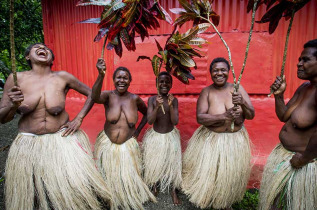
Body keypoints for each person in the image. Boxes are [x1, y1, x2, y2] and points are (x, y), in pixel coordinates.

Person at [0, 43, 111, 210]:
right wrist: (13, 106)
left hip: (61, 139)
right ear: (27, 57)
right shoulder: (16, 79)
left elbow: (94, 96)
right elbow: (3, 118)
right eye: (37, 47)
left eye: (46, 49)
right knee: (34, 194)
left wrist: (79, 118)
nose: (42, 49)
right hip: (28, 143)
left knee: (74, 185)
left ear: (52, 59)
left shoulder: (62, 77)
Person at [182, 57, 255, 209]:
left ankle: (225, 202)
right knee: (210, 177)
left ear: (228, 72)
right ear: (211, 73)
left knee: (228, 178)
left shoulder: (237, 89)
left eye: (223, 70)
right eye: (215, 70)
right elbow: (200, 117)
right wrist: (223, 116)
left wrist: (242, 102)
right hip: (212, 141)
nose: (219, 73)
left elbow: (251, 114)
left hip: (235, 142)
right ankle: (209, 201)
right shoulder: (207, 92)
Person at [259, 39, 317, 210]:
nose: (299, 63)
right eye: (299, 59)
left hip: (301, 162)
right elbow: (284, 116)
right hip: (284, 157)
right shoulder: (305, 87)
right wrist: (278, 95)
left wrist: (304, 159)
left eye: (305, 60)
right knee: (273, 204)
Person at [92, 58, 156, 210]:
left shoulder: (135, 99)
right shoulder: (108, 96)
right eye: (118, 77)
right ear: (114, 80)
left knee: (128, 177)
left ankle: (128, 196)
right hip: (109, 144)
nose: (122, 80)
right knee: (109, 175)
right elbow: (94, 97)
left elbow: (148, 114)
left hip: (128, 146)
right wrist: (100, 75)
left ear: (130, 81)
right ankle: (110, 198)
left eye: (125, 78)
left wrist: (138, 130)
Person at [142, 71, 182, 205]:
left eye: (167, 82)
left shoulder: (174, 100)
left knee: (171, 164)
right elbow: (150, 121)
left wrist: (170, 105)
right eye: (161, 82)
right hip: (156, 137)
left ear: (171, 84)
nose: (164, 84)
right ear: (157, 84)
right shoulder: (152, 100)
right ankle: (154, 186)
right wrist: (157, 106)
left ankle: (173, 189)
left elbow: (175, 121)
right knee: (154, 163)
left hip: (170, 137)